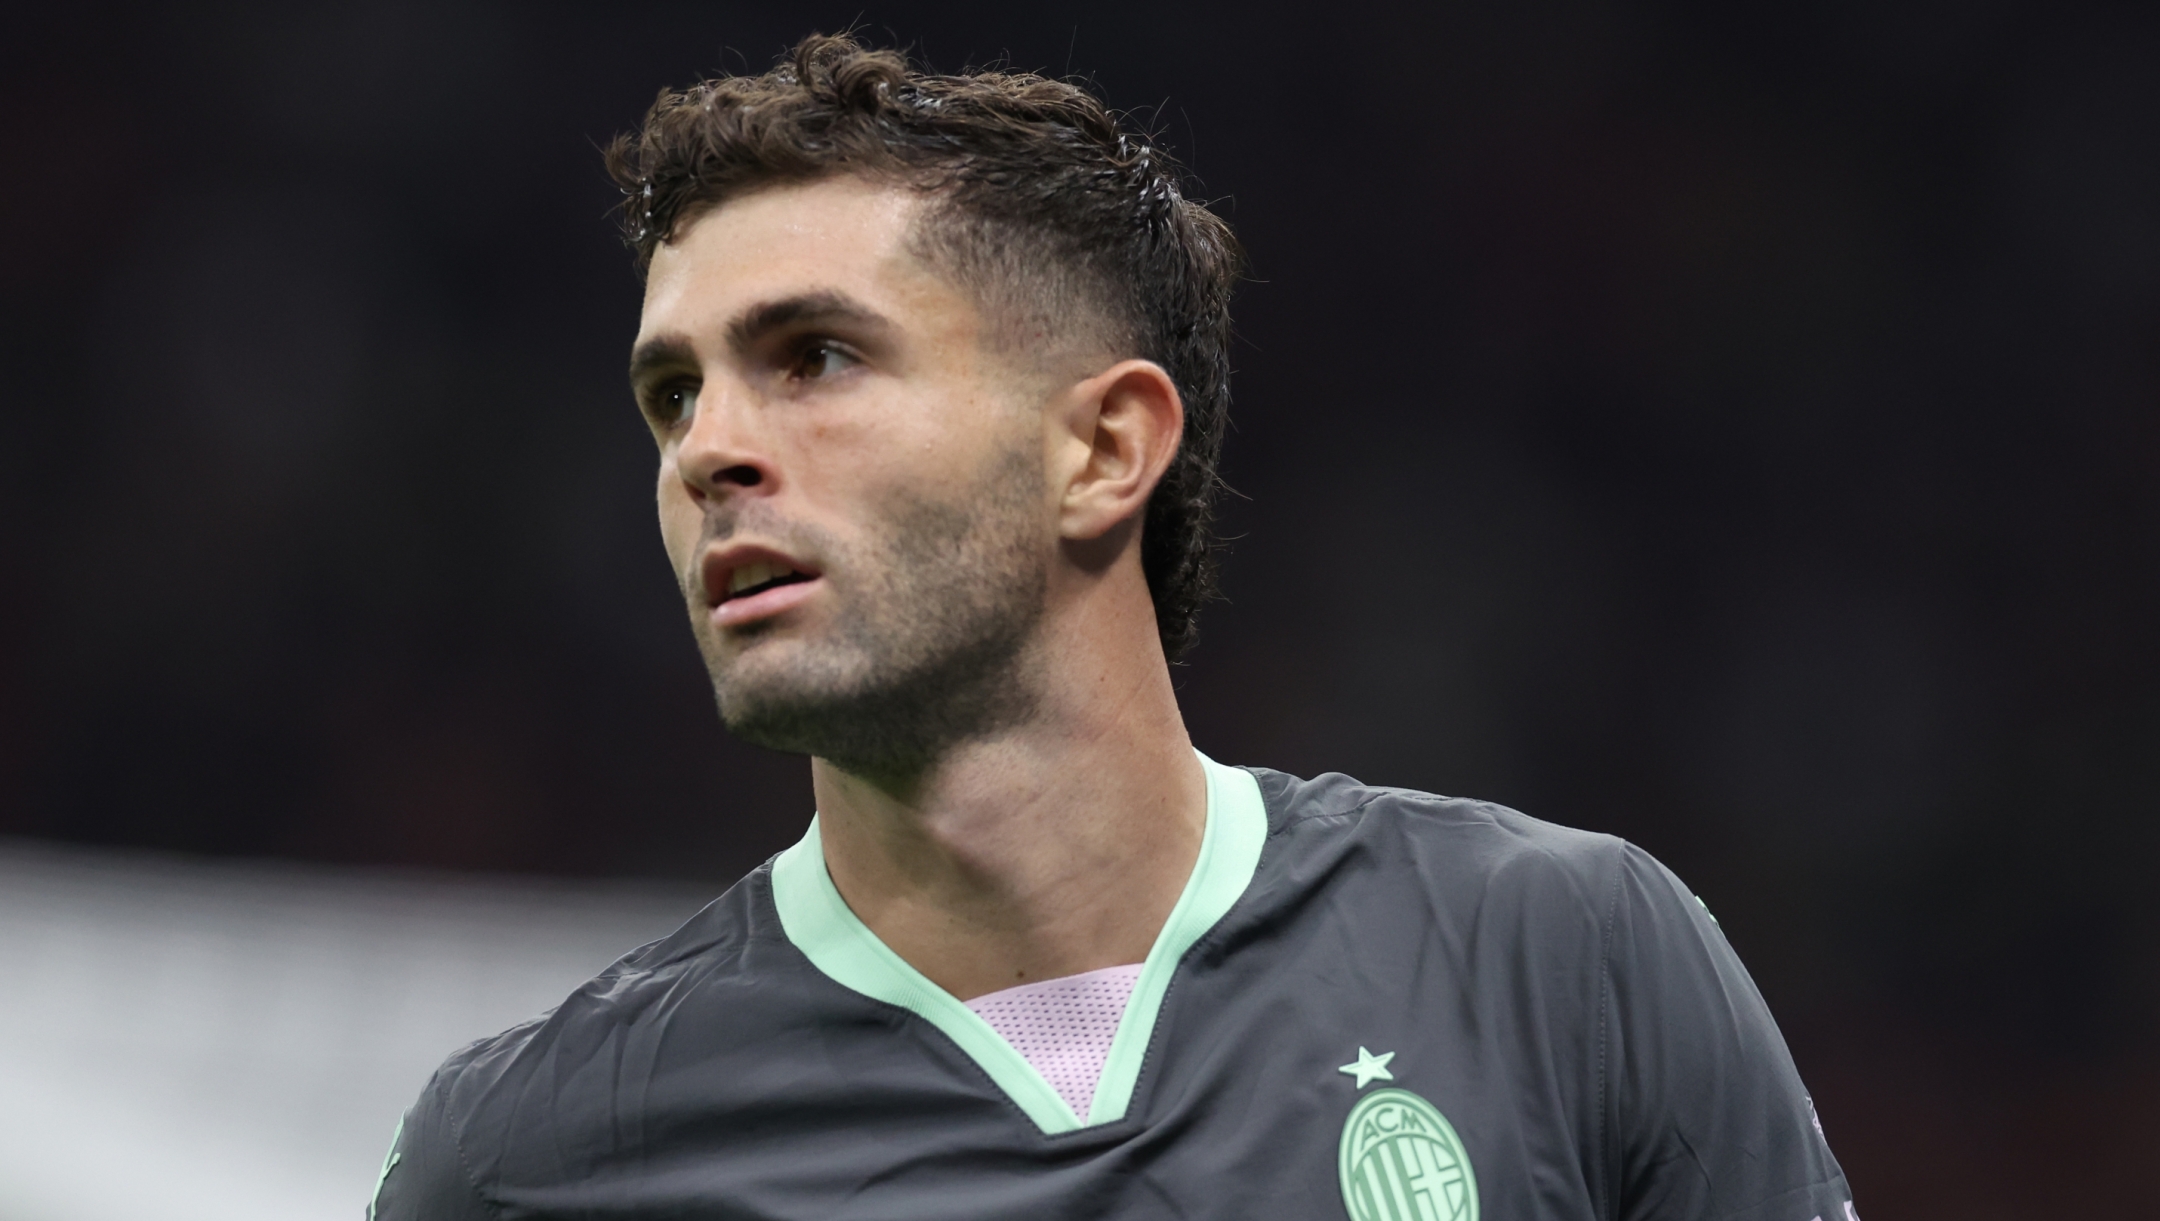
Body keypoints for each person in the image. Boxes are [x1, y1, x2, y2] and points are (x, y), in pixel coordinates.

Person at [370, 33, 1857, 1221]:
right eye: (673, 392)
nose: (708, 452)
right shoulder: (539, 1159)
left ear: (1103, 449)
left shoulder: (1563, 961)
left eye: (814, 357)